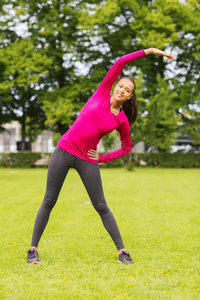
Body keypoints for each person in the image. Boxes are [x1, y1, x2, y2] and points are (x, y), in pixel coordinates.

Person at [27, 48, 174, 265]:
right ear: (115, 86)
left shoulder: (122, 120)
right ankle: (32, 250)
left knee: (101, 205)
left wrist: (101, 158)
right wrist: (149, 51)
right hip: (63, 152)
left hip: (87, 159)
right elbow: (121, 61)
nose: (122, 90)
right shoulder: (102, 92)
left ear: (130, 96)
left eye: (127, 90)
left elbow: (126, 149)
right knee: (49, 200)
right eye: (121, 86)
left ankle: (122, 252)